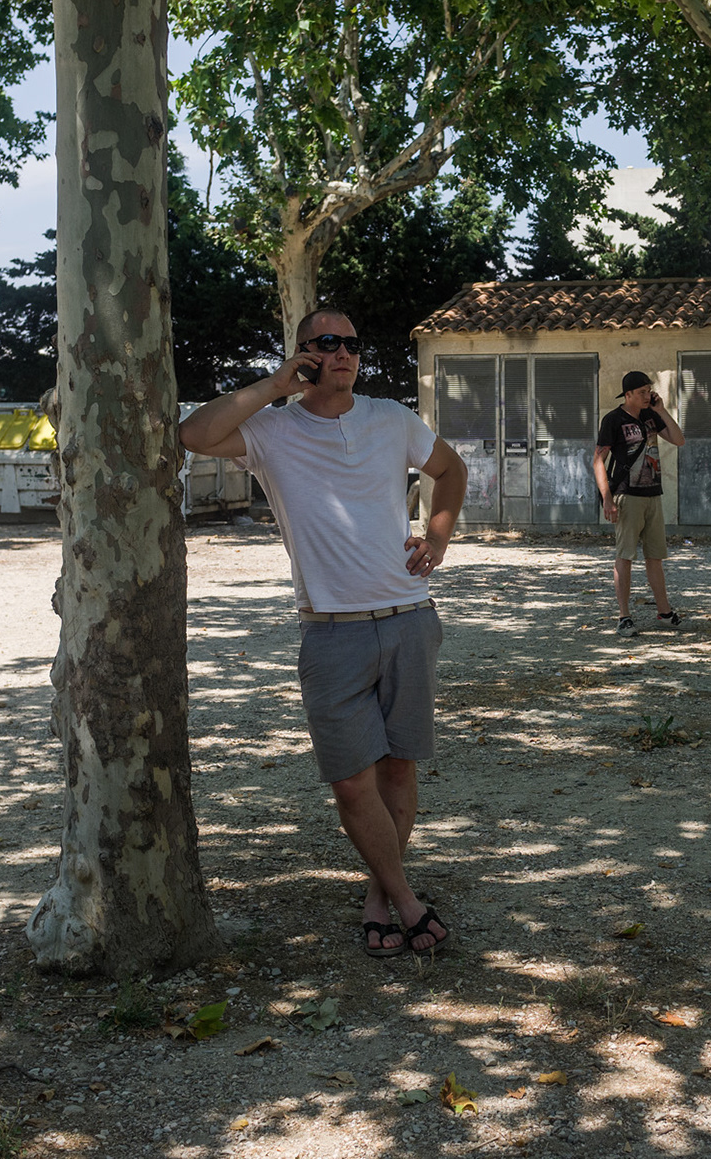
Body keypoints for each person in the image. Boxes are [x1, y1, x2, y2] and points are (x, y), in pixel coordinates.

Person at [179, 308, 467, 960]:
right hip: (330, 632)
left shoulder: (391, 418)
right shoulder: (272, 431)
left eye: (352, 344)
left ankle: (379, 897)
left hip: (409, 618)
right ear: (303, 352)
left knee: (398, 768)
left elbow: (450, 471)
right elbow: (193, 434)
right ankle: (409, 901)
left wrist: (439, 537)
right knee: (350, 782)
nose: (344, 353)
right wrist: (272, 387)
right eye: (328, 343)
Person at [594, 370, 686, 637]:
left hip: (652, 494)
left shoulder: (651, 416)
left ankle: (664, 613)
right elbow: (598, 460)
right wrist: (607, 498)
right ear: (628, 395)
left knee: (655, 557)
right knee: (625, 556)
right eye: (642, 392)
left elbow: (678, 439)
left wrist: (662, 410)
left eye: (649, 391)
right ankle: (624, 617)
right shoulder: (613, 420)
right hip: (627, 495)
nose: (647, 396)